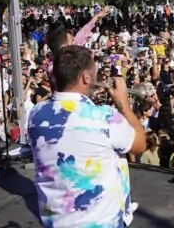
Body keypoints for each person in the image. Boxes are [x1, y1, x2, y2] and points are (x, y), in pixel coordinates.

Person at [28, 44, 147, 228]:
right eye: (95, 74)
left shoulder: (36, 114)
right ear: (86, 77)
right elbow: (140, 144)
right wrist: (123, 104)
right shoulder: (103, 116)